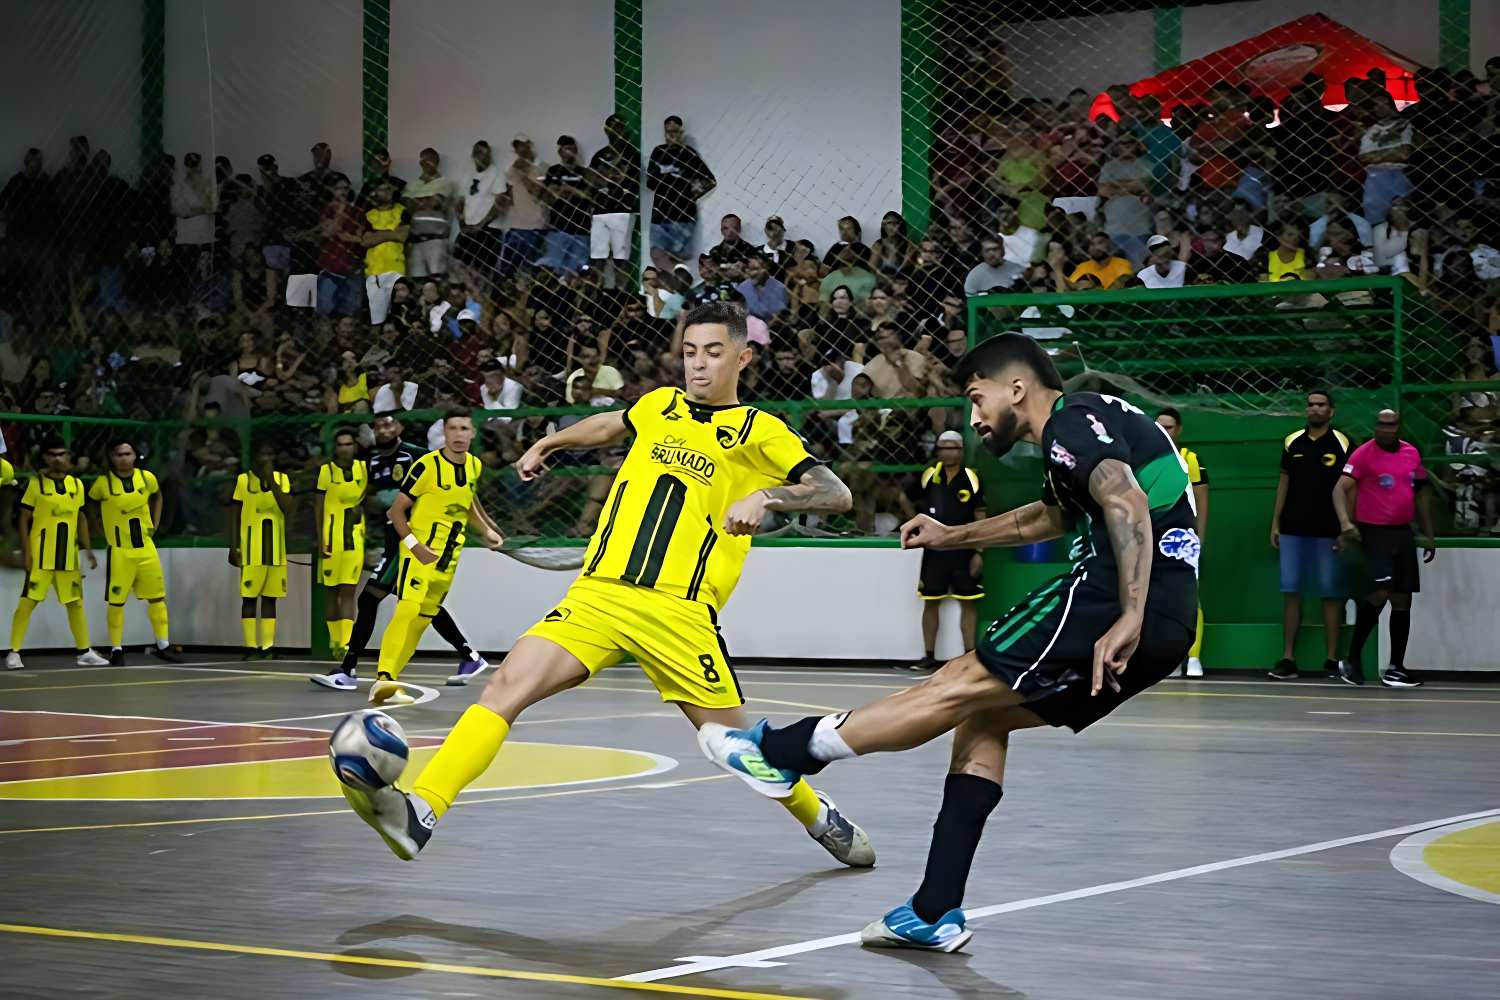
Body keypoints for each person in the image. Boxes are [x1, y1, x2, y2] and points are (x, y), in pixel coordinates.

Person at [698, 333, 1200, 952]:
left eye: (976, 397)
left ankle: (785, 749)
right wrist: (948, 535)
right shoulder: (1085, 431)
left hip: (1117, 597)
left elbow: (1124, 498)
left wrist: (1128, 611)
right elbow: (1044, 518)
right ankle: (936, 910)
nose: (974, 415)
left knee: (956, 682)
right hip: (1167, 623)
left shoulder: (1072, 424)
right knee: (982, 718)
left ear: (1016, 389)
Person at [340, 302, 875, 872]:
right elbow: (613, 424)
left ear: (743, 358)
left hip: (677, 611)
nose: (698, 365)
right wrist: (553, 443)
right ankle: (422, 811)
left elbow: (834, 491)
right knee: (503, 688)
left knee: (742, 751)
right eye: (691, 351)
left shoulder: (759, 431)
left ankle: (819, 816)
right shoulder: (660, 405)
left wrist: (767, 495)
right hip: (597, 595)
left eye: (714, 352)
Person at [315, 413, 489, 690]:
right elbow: (377, 495)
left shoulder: (418, 457)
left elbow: (456, 494)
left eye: (390, 423)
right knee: (416, 604)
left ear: (400, 427)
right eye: (379, 425)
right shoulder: (372, 460)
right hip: (393, 537)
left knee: (378, 600)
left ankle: (353, 669)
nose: (384, 428)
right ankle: (468, 655)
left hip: (408, 538)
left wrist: (412, 541)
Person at [367, 411, 505, 707]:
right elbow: (396, 511)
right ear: (444, 431)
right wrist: (415, 546)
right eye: (452, 428)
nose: (458, 434)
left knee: (422, 618)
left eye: (464, 428)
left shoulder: (473, 466)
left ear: (473, 433)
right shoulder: (426, 466)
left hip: (449, 556)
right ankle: (383, 679)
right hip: (419, 551)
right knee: (407, 608)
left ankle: (391, 685)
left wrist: (486, 532)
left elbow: (468, 503)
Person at [1332, 409, 1435, 689]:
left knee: (1403, 599)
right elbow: (1339, 489)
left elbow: (1420, 492)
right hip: (1373, 531)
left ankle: (1395, 668)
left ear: (1399, 427)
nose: (1386, 430)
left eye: (1391, 425)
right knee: (1378, 593)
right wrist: (1345, 523)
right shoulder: (1363, 454)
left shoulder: (1411, 453)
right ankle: (1352, 659)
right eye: (1381, 424)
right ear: (1375, 426)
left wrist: (1428, 532)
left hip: (1403, 533)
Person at [3, 437, 109, 669]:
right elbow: (24, 518)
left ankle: (84, 651)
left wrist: (87, 549)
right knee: (27, 603)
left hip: (68, 557)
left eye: (62, 454)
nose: (58, 459)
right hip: (41, 556)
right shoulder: (36, 484)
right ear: (45, 458)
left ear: (69, 457)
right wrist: (27, 551)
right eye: (52, 454)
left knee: (75, 603)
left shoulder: (77, 485)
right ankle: (14, 652)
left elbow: (80, 517)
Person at [1268, 392, 1353, 680]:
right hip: (1293, 529)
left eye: (1321, 405)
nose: (1315, 409)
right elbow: (1284, 482)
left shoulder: (1342, 443)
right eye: (1311, 405)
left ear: (1331, 411)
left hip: (1329, 531)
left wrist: (1346, 526)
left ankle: (1332, 660)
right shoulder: (1292, 442)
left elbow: (1350, 487)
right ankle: (1287, 658)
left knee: (1331, 595)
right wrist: (1275, 522)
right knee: (1291, 592)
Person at [89, 439, 179, 665]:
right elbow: (89, 504)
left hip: (146, 547)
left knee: (157, 597)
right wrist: (99, 527)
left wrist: (155, 522)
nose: (123, 458)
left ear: (135, 456)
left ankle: (163, 644)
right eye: (119, 454)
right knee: (117, 601)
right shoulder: (103, 483)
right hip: (121, 550)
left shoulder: (146, 478)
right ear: (111, 457)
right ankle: (117, 649)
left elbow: (158, 496)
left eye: (127, 454)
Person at [908, 430, 986, 673]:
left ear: (961, 451)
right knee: (931, 602)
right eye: (943, 448)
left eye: (953, 448)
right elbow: (911, 500)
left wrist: (979, 551)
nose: (948, 452)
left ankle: (969, 656)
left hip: (963, 549)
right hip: (935, 549)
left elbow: (980, 514)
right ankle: (929, 655)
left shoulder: (971, 478)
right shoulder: (929, 475)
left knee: (969, 604)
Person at [1155, 408, 1208, 676]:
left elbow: (1202, 502)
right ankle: (1169, 659)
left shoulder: (1191, 460)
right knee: (1157, 601)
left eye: (1170, 427)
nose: (1165, 432)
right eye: (1159, 426)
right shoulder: (1142, 459)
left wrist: (1200, 538)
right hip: (1153, 538)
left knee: (1188, 600)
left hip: (1183, 540)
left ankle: (1194, 657)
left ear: (1180, 430)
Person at [230, 443, 294, 660]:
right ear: (254, 456)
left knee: (270, 598)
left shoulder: (282, 479)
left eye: (269, 453)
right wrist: (233, 545)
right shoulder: (243, 480)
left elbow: (287, 507)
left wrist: (272, 482)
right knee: (249, 598)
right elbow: (235, 515)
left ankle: (268, 647)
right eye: (262, 453)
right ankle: (250, 646)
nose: (266, 458)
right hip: (251, 550)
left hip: (275, 550)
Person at [316, 428, 368, 662]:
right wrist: (320, 538)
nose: (344, 448)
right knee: (331, 594)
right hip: (331, 540)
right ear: (335, 448)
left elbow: (365, 498)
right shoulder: (326, 471)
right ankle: (333, 641)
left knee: (348, 592)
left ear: (354, 446)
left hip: (354, 540)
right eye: (340, 444)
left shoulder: (362, 470)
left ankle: (345, 644)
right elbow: (318, 507)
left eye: (348, 444)